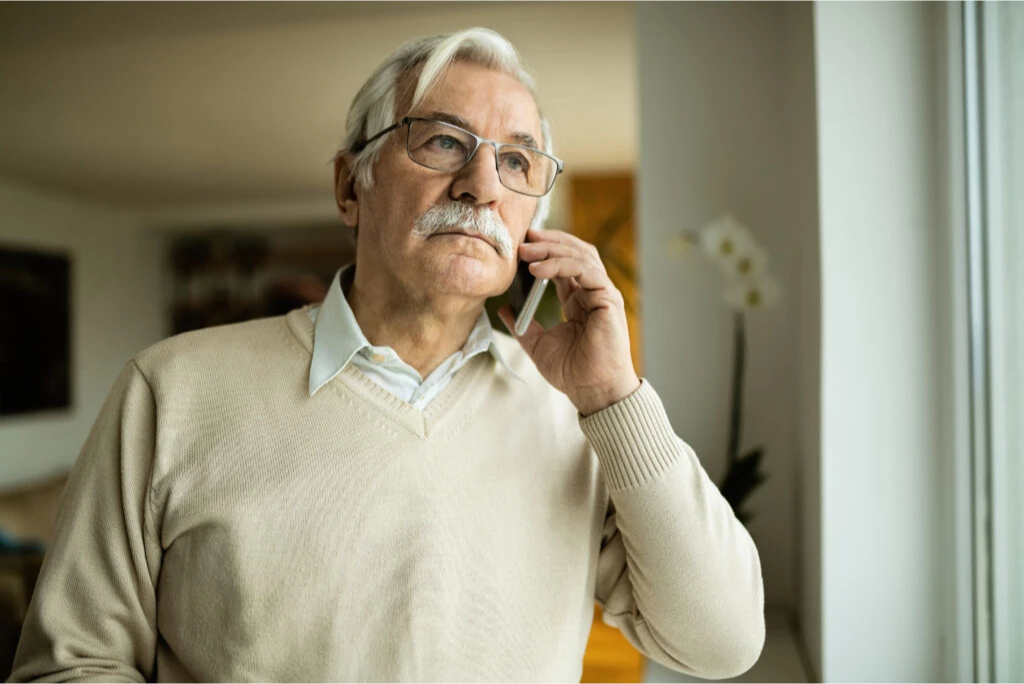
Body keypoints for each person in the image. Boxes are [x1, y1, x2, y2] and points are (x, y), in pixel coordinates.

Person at [9, 27, 764, 683]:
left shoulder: (577, 419)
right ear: (350, 187)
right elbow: (72, 663)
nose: (481, 185)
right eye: (443, 141)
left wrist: (614, 398)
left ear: (534, 209)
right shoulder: (169, 390)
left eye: (517, 163)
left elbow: (721, 642)